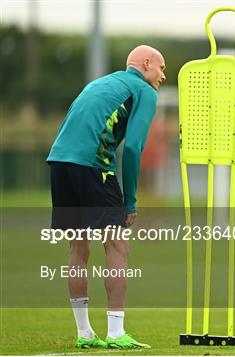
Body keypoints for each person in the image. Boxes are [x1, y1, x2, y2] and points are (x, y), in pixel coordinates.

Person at [47, 45, 166, 349]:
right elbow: (132, 147)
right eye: (161, 68)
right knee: (116, 243)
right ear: (146, 63)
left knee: (78, 247)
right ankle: (115, 333)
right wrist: (130, 200)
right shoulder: (144, 90)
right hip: (92, 166)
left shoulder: (101, 82)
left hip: (59, 162)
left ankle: (84, 333)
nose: (163, 76)